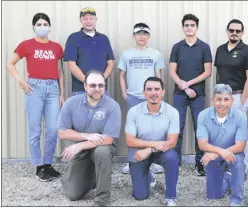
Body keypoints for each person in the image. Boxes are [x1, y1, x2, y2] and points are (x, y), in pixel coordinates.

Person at [7, 12, 64, 182]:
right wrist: (21, 81)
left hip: (53, 88)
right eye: (38, 24)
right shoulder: (26, 45)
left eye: (45, 24)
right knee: (35, 129)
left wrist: (62, 93)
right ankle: (39, 166)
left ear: (50, 26)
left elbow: (60, 71)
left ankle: (48, 163)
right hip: (34, 88)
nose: (42, 27)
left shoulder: (56, 47)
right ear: (33, 27)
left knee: (53, 129)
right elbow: (10, 63)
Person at [57, 70, 121, 206]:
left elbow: (109, 139)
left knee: (102, 152)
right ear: (85, 86)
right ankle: (91, 176)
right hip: (81, 152)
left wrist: (79, 145)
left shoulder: (113, 106)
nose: (97, 89)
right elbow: (62, 132)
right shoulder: (71, 103)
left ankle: (102, 200)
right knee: (73, 194)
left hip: (103, 147)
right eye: (92, 85)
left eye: (101, 85)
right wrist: (85, 136)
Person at [118, 22, 165, 175]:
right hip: (133, 97)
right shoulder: (126, 54)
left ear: (148, 36)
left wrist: (157, 95)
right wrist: (125, 94)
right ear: (134, 36)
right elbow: (121, 75)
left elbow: (158, 75)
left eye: (145, 34)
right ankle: (132, 160)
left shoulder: (155, 53)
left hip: (150, 97)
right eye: (139, 33)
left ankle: (153, 161)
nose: (142, 36)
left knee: (151, 129)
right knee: (133, 130)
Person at [169, 13, 212, 176]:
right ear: (183, 27)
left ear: (197, 27)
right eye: (186, 25)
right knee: (177, 128)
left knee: (199, 129)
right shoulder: (177, 47)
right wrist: (184, 86)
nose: (189, 28)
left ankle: (200, 164)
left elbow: (207, 72)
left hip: (198, 94)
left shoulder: (204, 47)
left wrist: (189, 84)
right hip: (180, 94)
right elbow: (172, 70)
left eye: (192, 25)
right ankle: (176, 163)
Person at [125, 77, 180, 206]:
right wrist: (154, 145)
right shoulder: (133, 112)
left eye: (157, 89)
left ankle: (171, 197)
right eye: (149, 89)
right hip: (139, 153)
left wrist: (150, 149)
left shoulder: (172, 112)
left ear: (163, 92)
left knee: (172, 157)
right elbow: (130, 141)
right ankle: (148, 176)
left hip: (162, 152)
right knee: (140, 196)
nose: (153, 93)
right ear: (144, 93)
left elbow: (172, 142)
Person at [214, 19, 248, 177]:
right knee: (222, 132)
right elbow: (218, 73)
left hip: (239, 96)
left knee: (238, 134)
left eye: (238, 31)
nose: (234, 33)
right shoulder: (220, 50)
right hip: (222, 98)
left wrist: (242, 101)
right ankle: (225, 164)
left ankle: (241, 168)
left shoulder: (247, 51)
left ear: (242, 33)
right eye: (231, 30)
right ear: (227, 31)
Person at [197, 84, 247, 206]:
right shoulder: (203, 115)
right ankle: (228, 178)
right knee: (213, 196)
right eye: (218, 99)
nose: (222, 104)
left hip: (233, 153)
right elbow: (202, 144)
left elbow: (240, 146)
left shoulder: (241, 116)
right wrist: (220, 152)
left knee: (238, 161)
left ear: (232, 100)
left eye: (226, 99)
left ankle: (236, 199)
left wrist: (218, 153)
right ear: (212, 100)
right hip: (214, 156)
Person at [64, 7, 115, 96]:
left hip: (102, 90)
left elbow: (110, 63)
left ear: (96, 19)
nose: (88, 21)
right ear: (81, 20)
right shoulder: (73, 38)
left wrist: (100, 81)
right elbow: (71, 64)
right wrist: (88, 82)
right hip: (80, 90)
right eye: (85, 19)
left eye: (91, 18)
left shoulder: (104, 39)